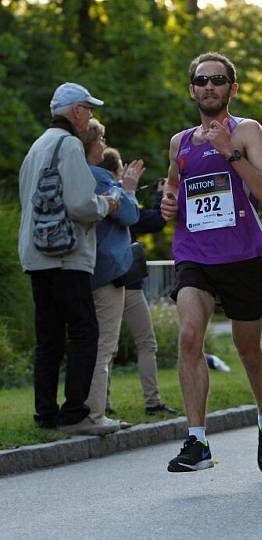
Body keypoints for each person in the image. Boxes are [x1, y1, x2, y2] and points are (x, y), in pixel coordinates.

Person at [160, 52, 262, 473]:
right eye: (201, 80)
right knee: (190, 337)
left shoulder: (246, 131)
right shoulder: (180, 143)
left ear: (232, 87)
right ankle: (197, 441)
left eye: (217, 80)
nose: (208, 86)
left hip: (243, 256)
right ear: (192, 88)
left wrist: (231, 152)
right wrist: (168, 203)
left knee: (248, 350)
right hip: (194, 254)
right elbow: (176, 194)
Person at [18, 82, 119, 435]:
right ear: (75, 111)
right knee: (84, 331)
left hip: (36, 254)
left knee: (48, 338)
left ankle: (45, 415)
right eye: (88, 109)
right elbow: (80, 205)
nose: (90, 115)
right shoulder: (70, 145)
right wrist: (106, 204)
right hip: (66, 254)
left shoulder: (37, 146)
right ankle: (75, 414)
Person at [98, 150, 178, 416]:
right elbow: (153, 220)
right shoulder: (121, 200)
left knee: (104, 347)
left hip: (100, 280)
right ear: (118, 171)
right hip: (125, 282)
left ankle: (102, 403)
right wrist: (159, 195)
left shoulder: (98, 195)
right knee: (145, 342)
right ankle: (152, 401)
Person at [81, 121, 140, 433]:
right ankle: (95, 413)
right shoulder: (100, 178)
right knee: (104, 344)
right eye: (101, 138)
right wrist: (128, 188)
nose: (104, 144)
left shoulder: (77, 176)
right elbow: (130, 214)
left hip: (83, 271)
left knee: (85, 343)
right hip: (106, 274)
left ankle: (84, 408)